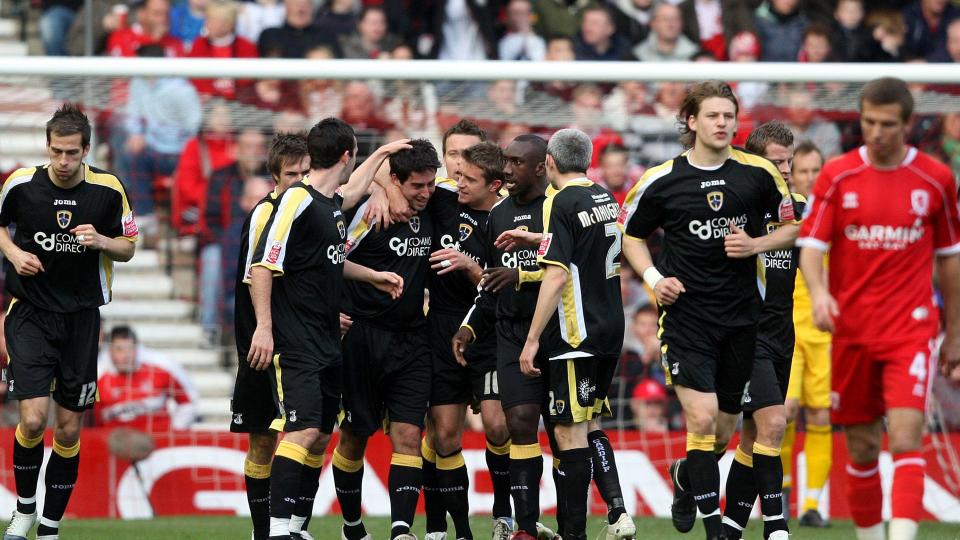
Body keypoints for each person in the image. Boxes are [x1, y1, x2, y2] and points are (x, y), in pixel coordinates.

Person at [618, 81, 799, 540]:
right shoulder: (662, 179)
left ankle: (685, 478)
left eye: (729, 116)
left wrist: (756, 243)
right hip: (686, 318)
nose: (722, 124)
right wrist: (655, 280)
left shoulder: (758, 173)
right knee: (700, 421)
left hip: (742, 320)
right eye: (713, 116)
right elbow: (630, 235)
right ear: (692, 122)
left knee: (720, 433)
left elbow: (791, 227)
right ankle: (717, 529)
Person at [797, 77, 960, 540]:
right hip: (850, 332)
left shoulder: (936, 178)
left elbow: (951, 259)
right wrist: (821, 291)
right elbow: (810, 245)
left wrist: (956, 332)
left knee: (907, 436)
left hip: (910, 330)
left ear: (907, 123)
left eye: (887, 124)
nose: (876, 132)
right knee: (864, 447)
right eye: (868, 121)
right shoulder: (838, 174)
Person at [240, 126, 408, 540]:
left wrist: (371, 275)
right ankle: (278, 530)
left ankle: (296, 527)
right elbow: (263, 264)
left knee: (319, 438)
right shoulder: (294, 200)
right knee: (302, 431)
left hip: (328, 339)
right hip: (296, 340)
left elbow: (349, 201)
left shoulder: (328, 202)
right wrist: (264, 327)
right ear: (347, 153)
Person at [1, 103, 139, 540]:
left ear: (86, 151)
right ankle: (24, 511)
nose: (63, 162)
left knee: (68, 427)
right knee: (34, 420)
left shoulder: (108, 190)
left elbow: (130, 247)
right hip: (30, 314)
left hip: (81, 318)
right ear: (47, 147)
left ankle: (50, 527)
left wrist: (101, 240)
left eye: (71, 154)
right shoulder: (21, 184)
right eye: (56, 152)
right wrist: (14, 254)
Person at [519, 128, 630, 540]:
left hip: (575, 335)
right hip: (610, 328)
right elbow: (585, 248)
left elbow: (557, 275)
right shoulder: (603, 196)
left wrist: (532, 339)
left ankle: (574, 534)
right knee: (591, 421)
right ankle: (617, 513)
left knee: (569, 431)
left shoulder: (561, 201)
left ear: (549, 161)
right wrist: (540, 240)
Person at [333, 140, 442, 540]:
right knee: (355, 434)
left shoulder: (436, 205)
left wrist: (390, 186)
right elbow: (330, 259)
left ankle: (400, 531)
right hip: (361, 336)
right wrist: (381, 188)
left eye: (431, 184)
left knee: (410, 434)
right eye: (418, 186)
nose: (427, 193)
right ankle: (351, 525)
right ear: (398, 180)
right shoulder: (369, 212)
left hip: (412, 338)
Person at [455, 134, 555, 540]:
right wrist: (470, 324)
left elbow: (570, 274)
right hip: (510, 335)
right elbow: (493, 283)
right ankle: (523, 527)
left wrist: (521, 274)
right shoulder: (499, 215)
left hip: (559, 334)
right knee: (517, 422)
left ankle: (581, 522)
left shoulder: (559, 208)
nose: (508, 170)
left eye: (516, 163)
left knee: (568, 431)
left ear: (540, 167)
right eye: (506, 162)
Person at [421, 124, 511, 540]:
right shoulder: (438, 196)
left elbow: (499, 284)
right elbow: (392, 174)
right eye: (452, 155)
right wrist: (385, 190)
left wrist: (468, 265)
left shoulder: (507, 215)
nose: (458, 166)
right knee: (443, 433)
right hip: (441, 326)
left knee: (497, 426)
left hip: (488, 329)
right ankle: (449, 528)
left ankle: (504, 512)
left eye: (466, 157)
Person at [717, 121, 802, 539]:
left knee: (752, 439)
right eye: (776, 161)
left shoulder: (799, 210)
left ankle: (730, 527)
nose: (785, 170)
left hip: (783, 335)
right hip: (745, 336)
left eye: (790, 161)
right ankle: (777, 527)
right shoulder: (734, 209)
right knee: (772, 424)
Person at [780, 141, 833, 528]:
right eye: (804, 171)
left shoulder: (836, 213)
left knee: (821, 412)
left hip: (827, 329)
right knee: (785, 412)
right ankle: (779, 493)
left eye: (817, 171)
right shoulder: (785, 215)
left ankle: (813, 504)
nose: (811, 179)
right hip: (789, 325)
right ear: (792, 174)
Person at [96, 325, 197, 432]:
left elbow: (188, 402)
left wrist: (176, 430)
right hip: (115, 444)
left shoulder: (159, 372)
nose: (125, 355)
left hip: (157, 442)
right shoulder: (99, 380)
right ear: (110, 351)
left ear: (137, 349)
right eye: (119, 349)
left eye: (129, 348)